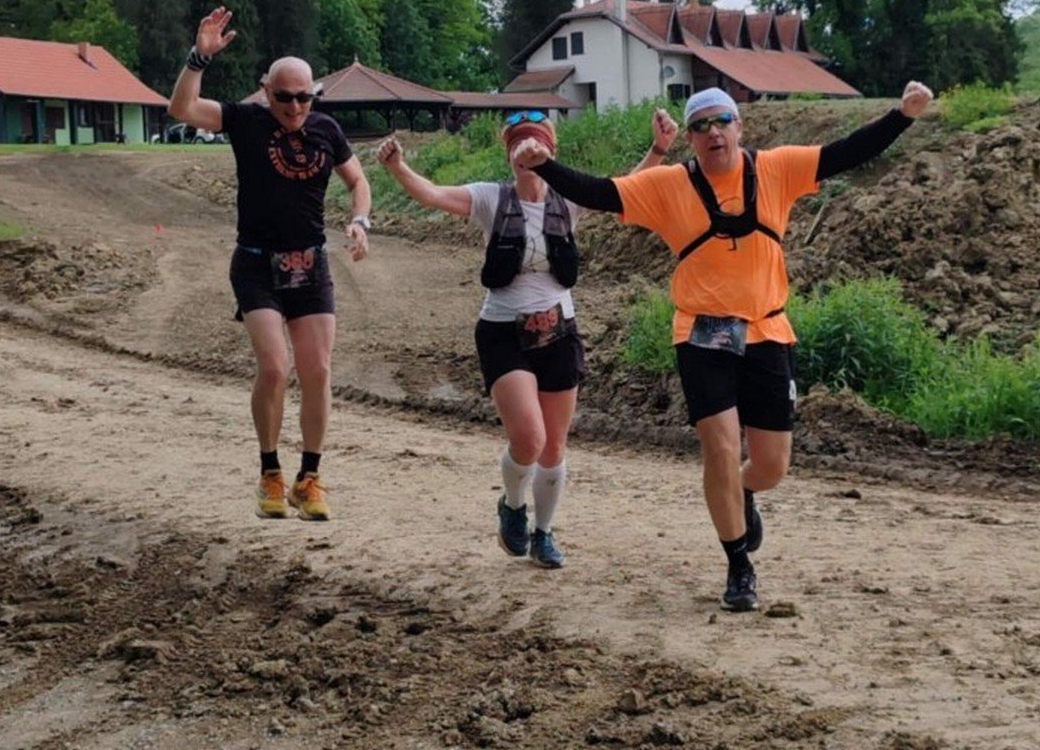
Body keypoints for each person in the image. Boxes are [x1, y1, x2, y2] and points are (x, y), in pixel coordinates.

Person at [511, 82, 933, 611]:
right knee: (722, 447)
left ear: (740, 126)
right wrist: (546, 165)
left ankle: (744, 492)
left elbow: (845, 153)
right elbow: (600, 192)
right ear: (690, 138)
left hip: (768, 333)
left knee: (772, 465)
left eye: (722, 121)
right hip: (701, 335)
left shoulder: (776, 169)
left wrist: (902, 115)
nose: (713, 132)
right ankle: (738, 566)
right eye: (701, 126)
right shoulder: (669, 185)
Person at [168, 6, 372, 522]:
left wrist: (360, 220)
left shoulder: (327, 129)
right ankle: (269, 472)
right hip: (256, 264)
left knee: (318, 370)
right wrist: (199, 58)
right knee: (276, 368)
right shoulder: (246, 120)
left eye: (305, 97)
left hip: (311, 265)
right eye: (284, 97)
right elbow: (182, 108)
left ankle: (310, 478)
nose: (295, 106)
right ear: (266, 91)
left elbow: (357, 180)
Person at [376, 111, 588, 568]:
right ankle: (512, 504)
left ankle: (543, 533)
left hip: (559, 332)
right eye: (518, 146)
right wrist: (397, 167)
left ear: (550, 152)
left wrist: (659, 149)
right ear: (509, 156)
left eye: (535, 144)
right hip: (504, 332)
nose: (526, 153)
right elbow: (433, 194)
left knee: (554, 445)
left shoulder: (569, 198)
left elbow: (625, 192)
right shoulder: (493, 199)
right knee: (529, 438)